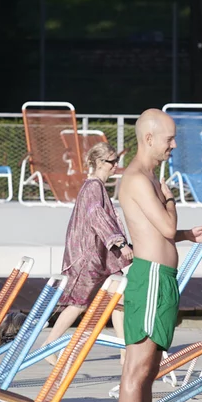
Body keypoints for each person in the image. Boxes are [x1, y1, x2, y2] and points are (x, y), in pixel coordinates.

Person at [116, 109, 202, 402]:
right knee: (136, 369)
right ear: (149, 139)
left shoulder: (149, 179)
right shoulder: (138, 180)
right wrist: (170, 199)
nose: (174, 145)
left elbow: (165, 233)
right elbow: (167, 228)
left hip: (163, 279)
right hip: (150, 280)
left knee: (149, 371)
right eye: (169, 139)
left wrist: (189, 234)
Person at [43, 142, 131, 345]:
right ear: (99, 162)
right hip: (89, 258)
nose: (116, 165)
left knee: (119, 298)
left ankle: (124, 351)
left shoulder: (94, 186)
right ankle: (48, 345)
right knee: (79, 304)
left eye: (117, 160)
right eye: (112, 161)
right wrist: (120, 244)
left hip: (98, 257)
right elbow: (97, 216)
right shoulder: (93, 187)